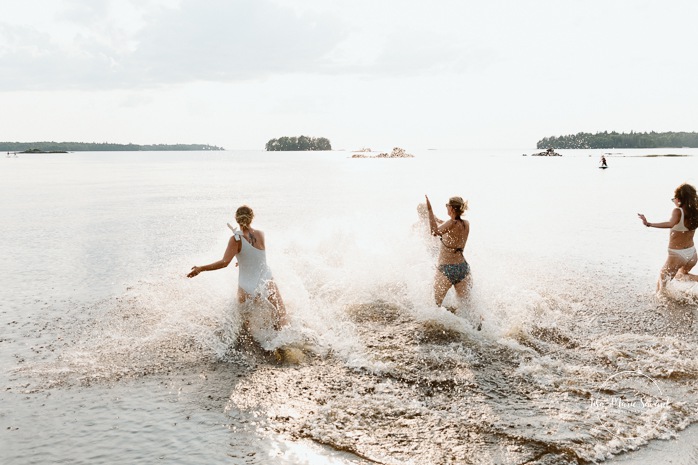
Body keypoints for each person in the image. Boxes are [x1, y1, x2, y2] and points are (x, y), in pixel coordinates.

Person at [187, 205, 288, 329]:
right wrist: (243, 259)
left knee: (245, 325)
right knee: (280, 315)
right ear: (252, 217)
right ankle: (281, 343)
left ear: (236, 219)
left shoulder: (236, 239)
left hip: (247, 285)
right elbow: (256, 255)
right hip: (266, 281)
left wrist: (201, 268)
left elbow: (224, 262)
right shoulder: (261, 234)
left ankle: (251, 345)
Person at [638, 183, 698, 292]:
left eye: (674, 198)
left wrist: (649, 224)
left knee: (661, 285)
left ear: (679, 199)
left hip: (677, 255)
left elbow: (670, 224)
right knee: (682, 275)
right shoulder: (695, 213)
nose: (674, 201)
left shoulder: (678, 211)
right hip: (692, 254)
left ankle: (660, 307)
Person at [425, 195, 475, 321]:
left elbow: (434, 232)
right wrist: (434, 217)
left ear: (452, 208)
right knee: (467, 310)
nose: (446, 208)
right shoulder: (465, 224)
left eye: (447, 206)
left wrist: (429, 211)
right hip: (463, 269)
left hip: (446, 269)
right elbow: (446, 224)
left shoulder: (451, 223)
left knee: (434, 306)